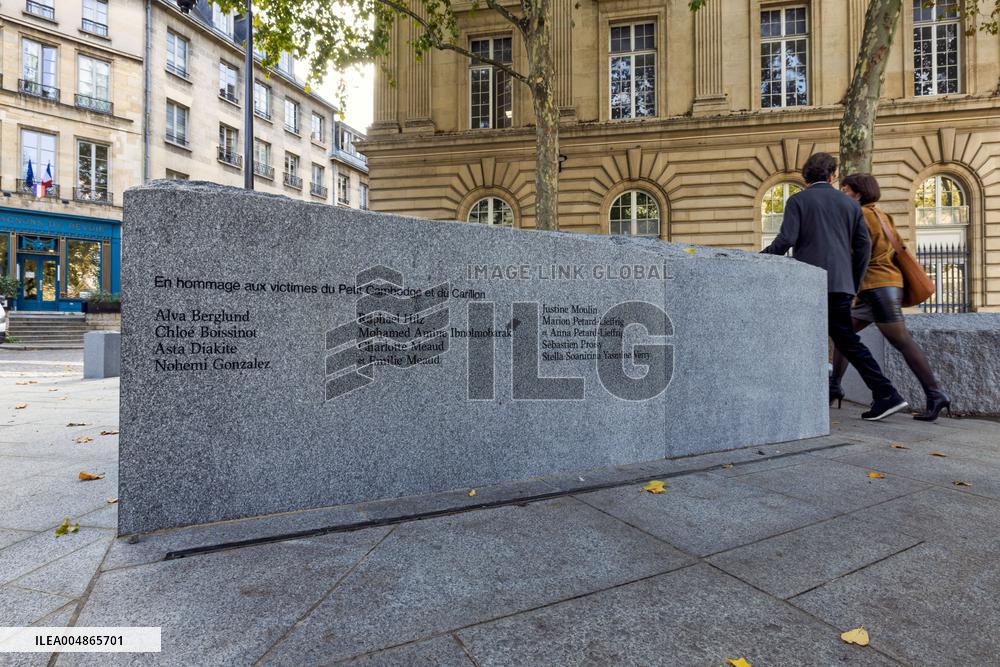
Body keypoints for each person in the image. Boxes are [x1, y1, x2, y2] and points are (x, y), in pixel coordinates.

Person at [762, 152, 908, 421]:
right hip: (841, 285)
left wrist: (760, 258)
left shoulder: (798, 200)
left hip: (809, 283)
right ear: (832, 176)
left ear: (806, 177)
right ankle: (883, 392)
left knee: (799, 337)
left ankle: (881, 392)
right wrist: (852, 280)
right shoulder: (850, 205)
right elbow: (863, 247)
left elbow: (786, 240)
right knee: (847, 341)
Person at [829, 173, 950, 421]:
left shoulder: (860, 215)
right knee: (844, 334)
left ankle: (936, 394)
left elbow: (855, 252)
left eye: (845, 190)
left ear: (857, 193)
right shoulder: (883, 215)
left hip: (877, 288)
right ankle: (834, 386)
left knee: (902, 341)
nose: (842, 194)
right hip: (880, 287)